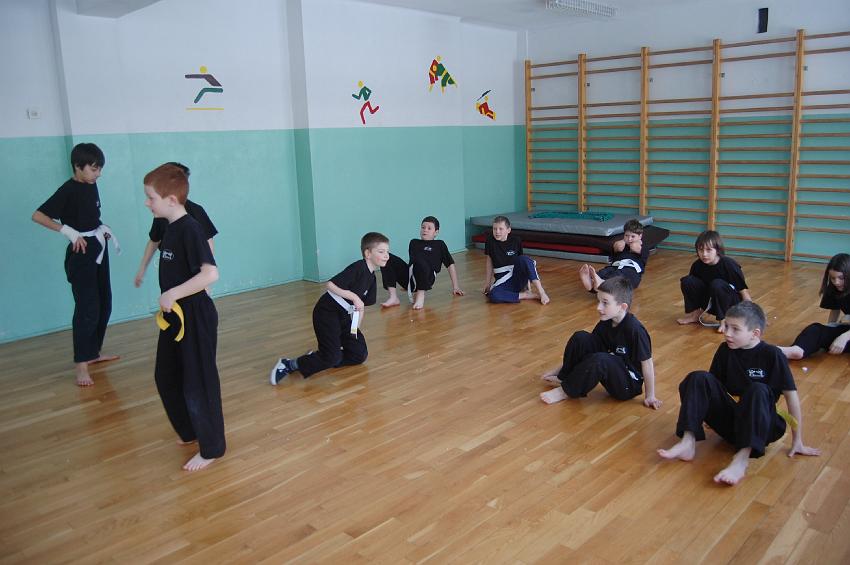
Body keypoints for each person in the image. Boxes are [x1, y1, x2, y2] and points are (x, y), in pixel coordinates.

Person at [658, 301, 820, 485]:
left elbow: (792, 398)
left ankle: (741, 458)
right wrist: (704, 416)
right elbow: (710, 390)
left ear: (755, 333)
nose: (727, 333)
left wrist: (798, 440)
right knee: (698, 378)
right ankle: (688, 441)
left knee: (757, 389)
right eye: (726, 326)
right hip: (734, 424)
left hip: (763, 426)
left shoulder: (772, 355)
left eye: (735, 329)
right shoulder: (725, 350)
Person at [143, 163, 225, 472]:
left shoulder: (190, 228)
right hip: (175, 317)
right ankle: (190, 430)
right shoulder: (170, 228)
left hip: (196, 315)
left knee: (198, 382)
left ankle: (212, 447)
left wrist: (173, 293)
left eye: (151, 198)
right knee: (165, 375)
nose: (147, 203)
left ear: (171, 200)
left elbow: (210, 273)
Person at [32, 143, 119, 387]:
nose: (98, 174)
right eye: (93, 169)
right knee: (87, 308)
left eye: (99, 169)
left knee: (105, 302)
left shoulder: (91, 185)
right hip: (81, 254)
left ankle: (93, 353)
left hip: (98, 247)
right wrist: (68, 231)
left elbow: (90, 216)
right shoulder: (67, 190)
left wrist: (102, 228)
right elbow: (38, 215)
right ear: (78, 167)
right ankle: (81, 365)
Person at [270, 232, 390, 383]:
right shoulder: (358, 268)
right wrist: (354, 297)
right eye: (381, 252)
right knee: (331, 356)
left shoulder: (372, 278)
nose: (386, 256)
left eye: (387, 252)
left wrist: (355, 330)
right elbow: (330, 285)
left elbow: (361, 307)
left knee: (359, 354)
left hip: (344, 317)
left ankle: (322, 358)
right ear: (368, 253)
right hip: (327, 313)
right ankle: (289, 365)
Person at [540, 277, 661, 409]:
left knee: (601, 359)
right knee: (581, 338)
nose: (598, 307)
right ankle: (565, 377)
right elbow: (587, 351)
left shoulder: (635, 330)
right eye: (599, 301)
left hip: (627, 384)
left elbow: (647, 364)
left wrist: (650, 396)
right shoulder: (606, 321)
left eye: (605, 303)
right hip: (609, 366)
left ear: (622, 307)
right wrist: (558, 371)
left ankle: (565, 391)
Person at [134, 162, 217, 289]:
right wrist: (142, 268)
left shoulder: (194, 215)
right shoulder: (161, 215)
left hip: (191, 286)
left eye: (151, 198)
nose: (147, 203)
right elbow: (154, 241)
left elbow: (208, 246)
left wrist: (205, 283)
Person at [380, 216, 464, 309]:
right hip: (412, 279)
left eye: (429, 228)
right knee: (386, 257)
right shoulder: (413, 242)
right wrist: (406, 282)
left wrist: (456, 286)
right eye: (423, 227)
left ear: (436, 232)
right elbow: (412, 263)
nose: (425, 230)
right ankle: (393, 297)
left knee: (420, 258)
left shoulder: (440, 244)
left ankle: (420, 294)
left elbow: (450, 264)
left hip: (427, 278)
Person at [676, 230, 751, 333]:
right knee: (688, 281)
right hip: (711, 303)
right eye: (700, 250)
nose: (704, 254)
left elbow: (744, 292)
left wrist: (753, 316)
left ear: (717, 250)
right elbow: (694, 290)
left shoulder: (729, 264)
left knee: (717, 284)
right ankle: (695, 315)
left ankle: (724, 320)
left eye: (709, 250)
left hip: (730, 304)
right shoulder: (697, 265)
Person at [779, 253, 850, 360]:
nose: (836, 282)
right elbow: (835, 310)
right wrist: (828, 331)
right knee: (815, 329)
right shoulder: (833, 288)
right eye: (832, 278)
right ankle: (795, 350)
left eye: (841, 278)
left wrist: (845, 337)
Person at [482, 216, 550, 305]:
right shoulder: (490, 241)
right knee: (494, 295)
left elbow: (524, 264)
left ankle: (541, 292)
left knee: (525, 259)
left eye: (500, 229)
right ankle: (526, 296)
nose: (497, 232)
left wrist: (527, 287)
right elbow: (489, 261)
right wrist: (487, 283)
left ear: (508, 230)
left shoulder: (516, 240)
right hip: (503, 280)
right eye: (495, 229)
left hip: (517, 276)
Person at [579, 219, 649, 293]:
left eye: (633, 236)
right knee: (604, 272)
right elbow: (615, 249)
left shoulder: (643, 248)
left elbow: (635, 248)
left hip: (632, 273)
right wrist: (617, 246)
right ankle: (590, 285)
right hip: (615, 267)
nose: (629, 239)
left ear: (640, 236)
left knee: (618, 275)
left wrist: (635, 243)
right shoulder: (621, 245)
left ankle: (601, 283)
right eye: (626, 235)